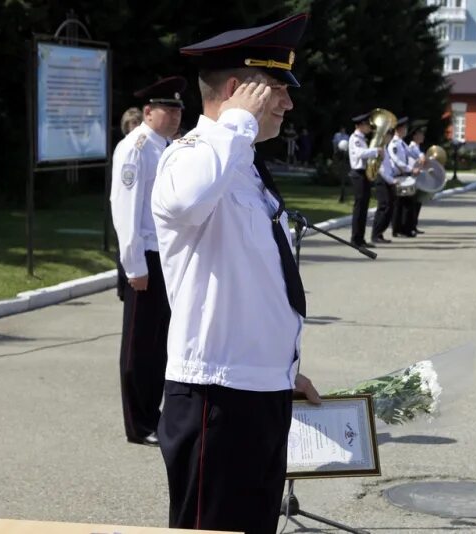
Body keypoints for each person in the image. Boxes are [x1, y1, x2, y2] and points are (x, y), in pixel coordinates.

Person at [150, 14, 321, 533]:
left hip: (256, 390)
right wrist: (237, 122)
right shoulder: (190, 157)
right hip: (215, 398)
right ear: (234, 90)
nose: (288, 103)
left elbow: (255, 283)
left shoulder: (241, 166)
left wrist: (280, 370)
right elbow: (186, 201)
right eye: (275, 90)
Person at [110, 76, 185, 447]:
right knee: (139, 347)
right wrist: (134, 267)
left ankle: (153, 415)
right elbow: (125, 212)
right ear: (148, 112)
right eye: (168, 109)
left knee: (160, 345)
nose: (175, 116)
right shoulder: (136, 148)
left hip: (167, 258)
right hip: (146, 261)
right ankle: (139, 424)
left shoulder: (167, 146)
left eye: (178, 109)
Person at [349, 111, 382, 248]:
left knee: (364, 208)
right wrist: (375, 151)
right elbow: (359, 153)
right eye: (367, 125)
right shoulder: (355, 138)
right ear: (360, 125)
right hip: (358, 174)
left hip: (364, 174)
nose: (369, 127)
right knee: (359, 207)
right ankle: (355, 239)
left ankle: (360, 238)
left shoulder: (362, 138)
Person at [388, 117, 417, 238]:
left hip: (404, 175)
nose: (406, 130)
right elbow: (397, 161)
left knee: (407, 203)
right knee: (399, 205)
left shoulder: (402, 143)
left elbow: (411, 152)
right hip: (398, 175)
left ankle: (406, 228)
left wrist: (420, 157)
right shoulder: (394, 144)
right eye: (404, 128)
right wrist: (411, 169)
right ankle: (397, 229)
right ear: (398, 129)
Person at [371, 129, 397, 244]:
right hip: (382, 180)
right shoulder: (379, 149)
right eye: (388, 135)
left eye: (391, 135)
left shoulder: (385, 148)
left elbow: (389, 167)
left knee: (389, 207)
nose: (390, 138)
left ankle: (380, 233)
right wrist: (391, 180)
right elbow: (380, 169)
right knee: (384, 206)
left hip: (388, 180)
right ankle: (375, 233)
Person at [406, 124, 427, 235]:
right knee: (413, 204)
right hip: (413, 178)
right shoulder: (412, 147)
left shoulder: (417, 147)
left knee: (417, 203)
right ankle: (411, 226)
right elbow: (416, 161)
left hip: (419, 178)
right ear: (414, 136)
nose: (422, 136)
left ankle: (414, 225)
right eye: (420, 134)